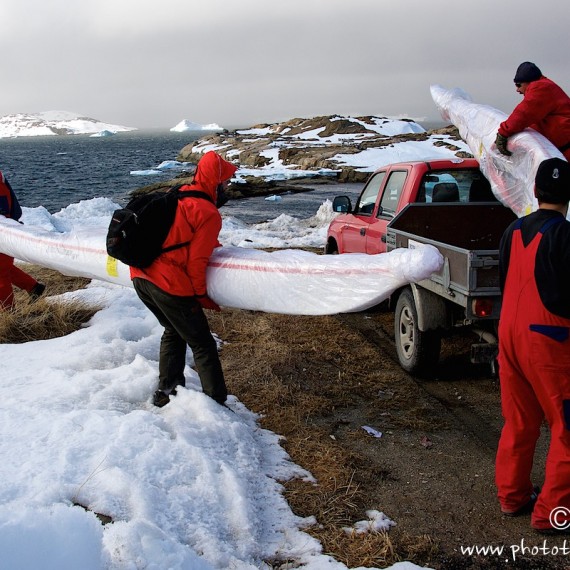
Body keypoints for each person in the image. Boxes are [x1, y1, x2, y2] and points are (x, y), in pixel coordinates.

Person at [496, 157, 570, 534]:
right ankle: (552, 514)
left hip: (509, 335)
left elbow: (507, 279)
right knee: (565, 427)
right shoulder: (566, 236)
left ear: (536, 191)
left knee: (521, 420)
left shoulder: (512, 230)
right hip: (549, 341)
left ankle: (513, 497)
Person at [130, 151, 237, 408]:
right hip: (168, 283)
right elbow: (196, 263)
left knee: (173, 330)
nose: (228, 187)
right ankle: (216, 404)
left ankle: (166, 392)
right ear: (215, 181)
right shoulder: (208, 212)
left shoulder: (182, 193)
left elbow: (180, 234)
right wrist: (200, 295)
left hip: (140, 276)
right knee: (203, 344)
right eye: (226, 183)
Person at [495, 62, 570, 160]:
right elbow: (532, 121)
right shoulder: (545, 87)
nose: (517, 90)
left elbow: (524, 114)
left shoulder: (541, 88)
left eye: (518, 85)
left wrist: (503, 133)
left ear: (528, 82)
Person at [0, 171, 45, 310]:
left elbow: (4, 211)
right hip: (7, 230)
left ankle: (8, 312)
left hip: (5, 232)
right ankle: (33, 287)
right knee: (4, 268)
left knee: (1, 271)